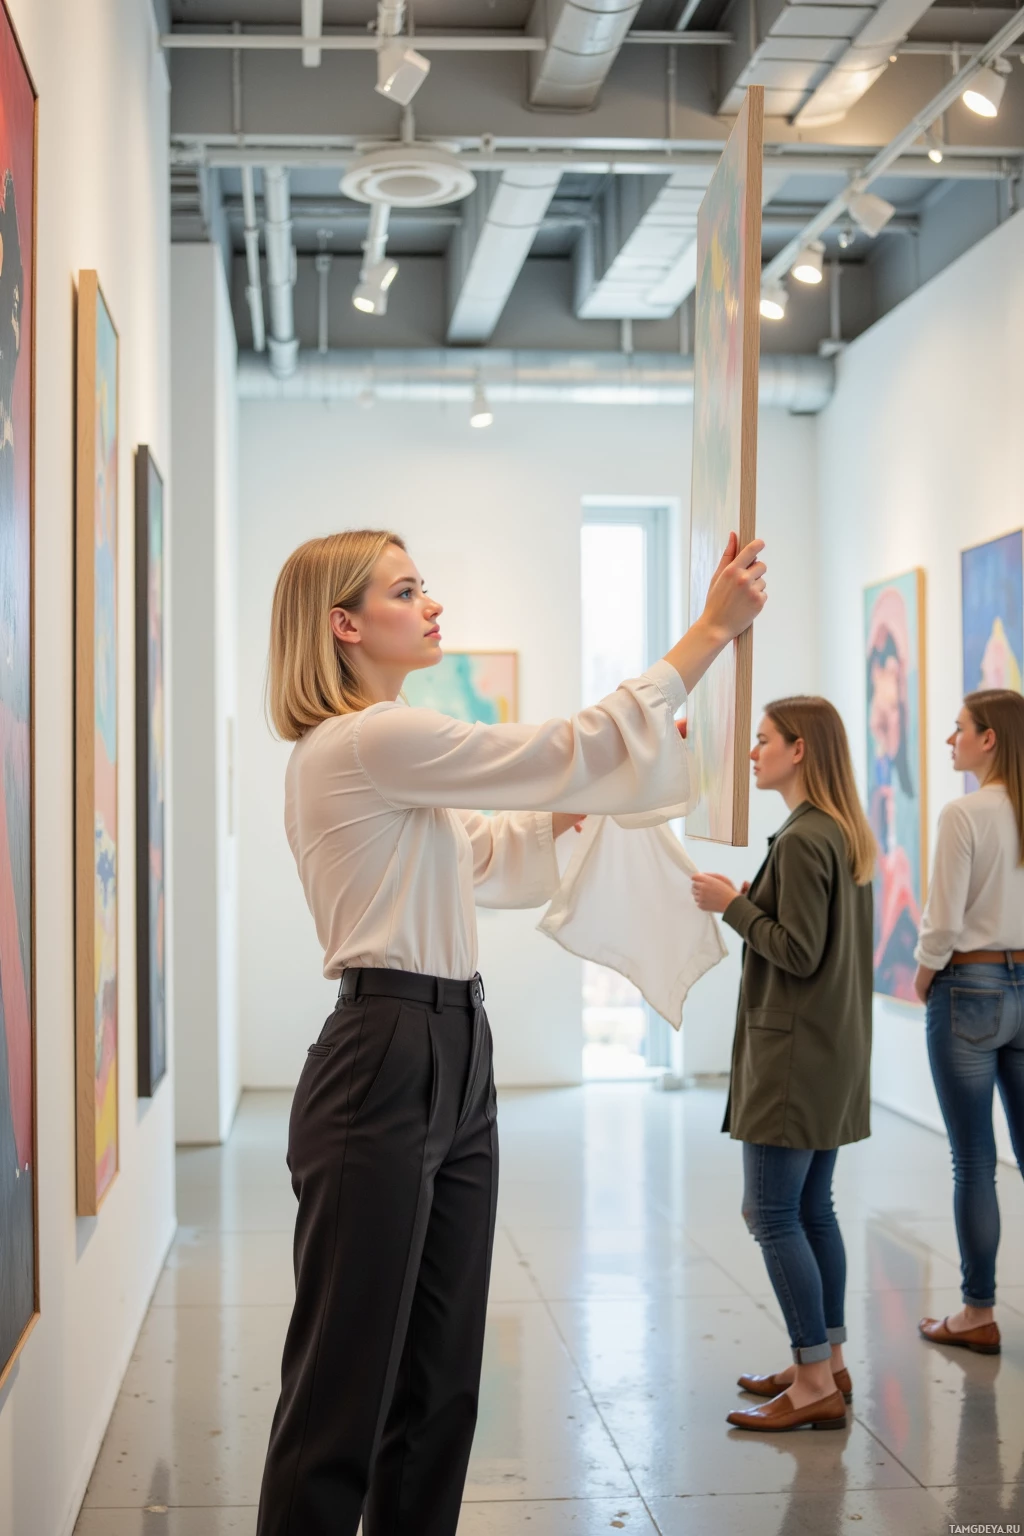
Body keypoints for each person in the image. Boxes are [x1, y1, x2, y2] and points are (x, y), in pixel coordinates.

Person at [256, 526, 767, 1536]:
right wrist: (708, 632)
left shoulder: (394, 755)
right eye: (407, 590)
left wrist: (572, 812)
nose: (432, 603)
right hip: (384, 1053)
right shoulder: (362, 741)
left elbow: (492, 860)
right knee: (342, 1390)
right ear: (344, 625)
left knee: (442, 1380)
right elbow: (553, 752)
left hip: (453, 1046)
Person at [692, 697, 874, 1432]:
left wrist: (728, 905)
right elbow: (817, 941)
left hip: (794, 1056)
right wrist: (748, 901)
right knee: (810, 1210)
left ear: (800, 750)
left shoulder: (803, 839)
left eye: (762, 740)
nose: (751, 752)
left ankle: (809, 1384)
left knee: (770, 1212)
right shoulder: (841, 832)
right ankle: (825, 1363)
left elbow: (796, 951)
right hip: (831, 1051)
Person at [913, 689, 1024, 1357]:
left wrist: (924, 976)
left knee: (975, 1159)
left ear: (989, 739)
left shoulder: (965, 813)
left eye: (958, 730)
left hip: (969, 986)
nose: (949, 741)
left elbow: (943, 922)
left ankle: (976, 1313)